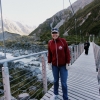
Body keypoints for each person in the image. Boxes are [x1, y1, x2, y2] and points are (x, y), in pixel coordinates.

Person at [48, 28, 70, 100]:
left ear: (58, 33)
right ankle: (55, 94)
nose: (54, 34)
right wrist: (49, 62)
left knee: (63, 83)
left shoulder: (63, 41)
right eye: (53, 33)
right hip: (55, 66)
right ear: (51, 34)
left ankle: (65, 97)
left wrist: (68, 63)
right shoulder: (50, 43)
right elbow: (49, 54)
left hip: (63, 66)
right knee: (55, 81)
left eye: (56, 33)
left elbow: (67, 52)